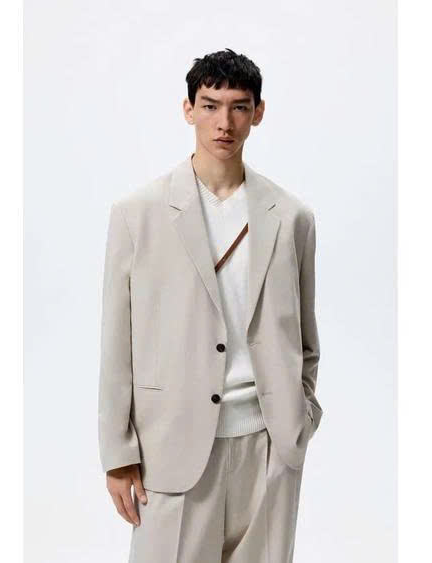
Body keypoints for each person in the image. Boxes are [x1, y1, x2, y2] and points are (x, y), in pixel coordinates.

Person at [98, 48, 323, 563]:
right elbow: (117, 340)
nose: (225, 123)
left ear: (257, 113)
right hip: (171, 444)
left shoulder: (292, 217)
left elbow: (306, 338)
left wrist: (301, 415)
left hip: (270, 445)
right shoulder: (138, 214)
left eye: (239, 107)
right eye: (210, 105)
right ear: (188, 109)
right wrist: (118, 453)